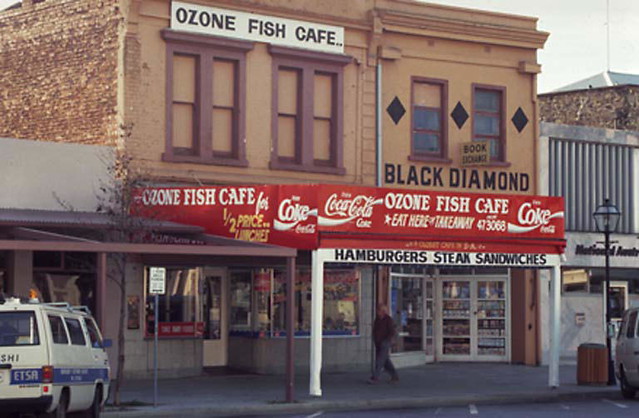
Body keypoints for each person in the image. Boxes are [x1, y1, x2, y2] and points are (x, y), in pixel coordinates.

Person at [369, 303, 399, 384]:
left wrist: (388, 340)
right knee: (385, 361)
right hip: (378, 342)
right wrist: (375, 339)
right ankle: (395, 376)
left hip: (385, 342)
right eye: (377, 310)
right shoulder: (377, 319)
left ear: (383, 311)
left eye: (379, 310)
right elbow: (375, 330)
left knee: (380, 360)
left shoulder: (388, 320)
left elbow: (392, 331)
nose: (377, 312)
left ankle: (375, 377)